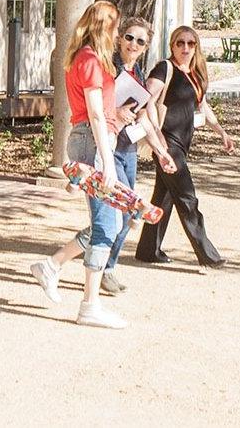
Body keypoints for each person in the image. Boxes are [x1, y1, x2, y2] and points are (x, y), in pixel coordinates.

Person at [30, 2, 174, 328]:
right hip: (94, 143)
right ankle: (88, 304)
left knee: (112, 220)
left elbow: (105, 113)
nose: (121, 37)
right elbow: (95, 114)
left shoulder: (86, 58)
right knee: (108, 224)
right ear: (106, 27)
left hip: (93, 142)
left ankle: (52, 267)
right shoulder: (92, 61)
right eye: (117, 29)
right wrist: (107, 164)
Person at [135, 25, 235, 269]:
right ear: (172, 46)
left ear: (196, 47)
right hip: (168, 145)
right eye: (180, 43)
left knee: (163, 197)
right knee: (187, 198)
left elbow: (203, 106)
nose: (186, 48)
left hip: (182, 143)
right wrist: (156, 135)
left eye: (191, 44)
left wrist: (221, 132)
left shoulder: (194, 75)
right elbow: (145, 95)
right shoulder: (165, 68)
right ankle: (207, 254)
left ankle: (148, 250)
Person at [101, 16, 175, 296]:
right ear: (120, 37)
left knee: (129, 213)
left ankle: (107, 266)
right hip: (109, 147)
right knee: (123, 209)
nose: (133, 44)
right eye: (129, 37)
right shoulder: (108, 68)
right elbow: (96, 107)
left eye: (140, 41)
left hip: (128, 149)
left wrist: (160, 151)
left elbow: (144, 116)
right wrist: (115, 113)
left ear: (145, 47)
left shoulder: (139, 74)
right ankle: (98, 266)